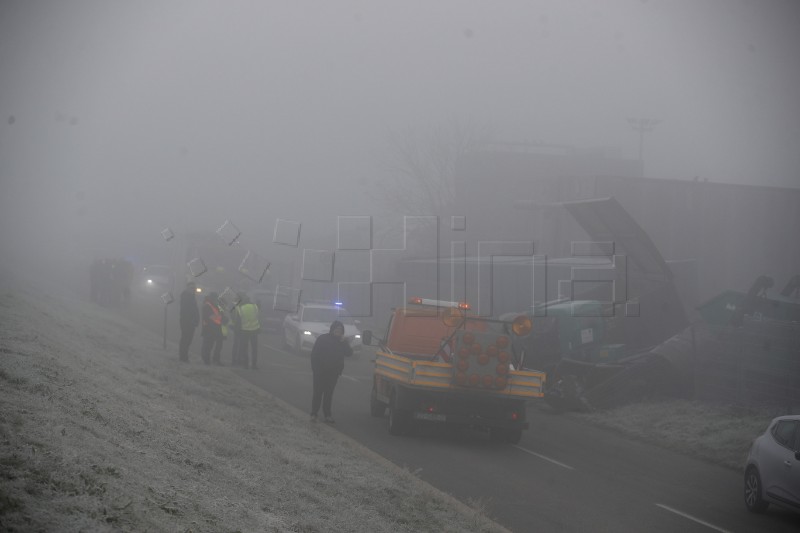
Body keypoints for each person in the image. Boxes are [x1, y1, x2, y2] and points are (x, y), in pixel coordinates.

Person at [309, 320, 352, 423]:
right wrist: (315, 369)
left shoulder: (341, 342)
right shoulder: (323, 339)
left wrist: (345, 342)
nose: (338, 331)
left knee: (329, 394)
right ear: (332, 329)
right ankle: (314, 414)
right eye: (337, 329)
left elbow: (349, 353)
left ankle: (327, 415)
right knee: (317, 393)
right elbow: (314, 355)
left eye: (340, 330)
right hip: (320, 372)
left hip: (333, 373)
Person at [236, 293, 261, 369]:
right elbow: (259, 317)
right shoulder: (255, 307)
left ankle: (245, 364)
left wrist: (238, 330)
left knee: (245, 347)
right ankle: (254, 364)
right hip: (254, 330)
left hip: (245, 330)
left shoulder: (241, 308)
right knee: (254, 348)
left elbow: (238, 321)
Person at [200, 292, 224, 365]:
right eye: (215, 298)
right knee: (208, 345)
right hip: (209, 328)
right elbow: (209, 317)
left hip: (215, 328)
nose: (216, 299)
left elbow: (219, 314)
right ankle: (206, 360)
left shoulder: (215, 305)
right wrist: (221, 318)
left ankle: (211, 359)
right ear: (212, 298)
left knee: (213, 345)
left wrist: (222, 318)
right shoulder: (207, 305)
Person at [178, 281, 200, 362]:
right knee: (185, 339)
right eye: (191, 288)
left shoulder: (192, 296)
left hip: (191, 322)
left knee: (188, 340)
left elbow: (195, 310)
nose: (193, 289)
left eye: (194, 288)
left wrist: (196, 320)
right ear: (187, 288)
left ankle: (184, 356)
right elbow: (186, 310)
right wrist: (191, 319)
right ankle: (183, 357)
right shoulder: (185, 296)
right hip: (186, 321)